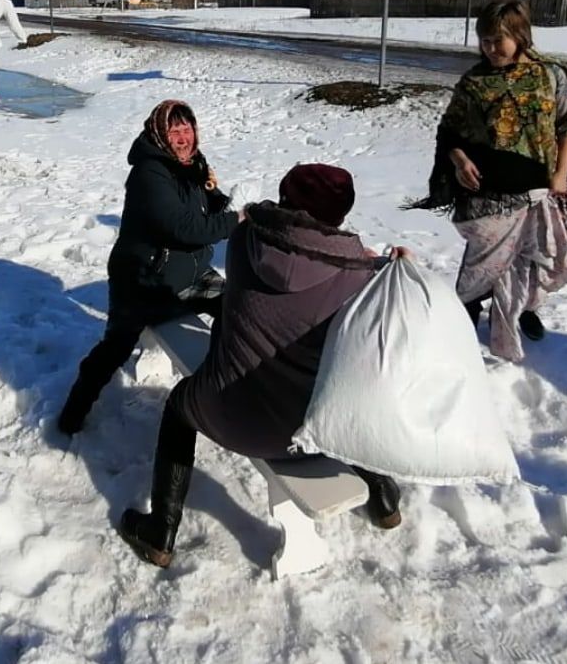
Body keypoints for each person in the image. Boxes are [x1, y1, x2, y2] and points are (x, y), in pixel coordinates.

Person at [119, 163, 405, 569]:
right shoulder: (360, 276)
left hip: (225, 411)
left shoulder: (245, 239)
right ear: (341, 212)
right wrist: (385, 267)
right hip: (309, 430)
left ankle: (161, 531)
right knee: (347, 393)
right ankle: (382, 495)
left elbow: (273, 239)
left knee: (180, 405)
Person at [412, 0, 567, 361]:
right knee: (482, 263)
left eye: (499, 40)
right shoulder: (474, 82)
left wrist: (560, 174)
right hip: (487, 193)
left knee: (531, 258)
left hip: (538, 190)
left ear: (521, 35)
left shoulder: (550, 75)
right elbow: (449, 132)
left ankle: (523, 310)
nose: (491, 48)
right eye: (484, 40)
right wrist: (459, 160)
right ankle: (467, 313)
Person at [57, 99, 241, 435]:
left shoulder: (191, 163)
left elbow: (200, 208)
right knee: (115, 349)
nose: (183, 137)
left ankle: (233, 390)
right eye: (175, 131)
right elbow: (184, 228)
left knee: (241, 310)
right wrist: (237, 219)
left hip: (192, 276)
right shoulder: (149, 173)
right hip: (144, 283)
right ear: (159, 135)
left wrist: (214, 195)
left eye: (187, 129)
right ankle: (72, 413)